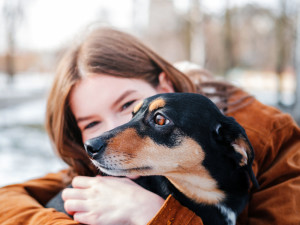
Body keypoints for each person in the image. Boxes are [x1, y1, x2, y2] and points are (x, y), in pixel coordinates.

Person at [0, 26, 299, 225]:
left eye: (129, 106)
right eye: (91, 123)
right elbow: (8, 200)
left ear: (164, 85)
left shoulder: (270, 139)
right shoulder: (103, 165)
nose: (110, 132)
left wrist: (153, 214)